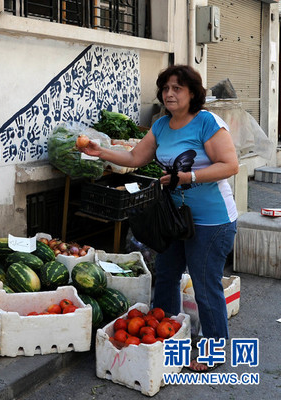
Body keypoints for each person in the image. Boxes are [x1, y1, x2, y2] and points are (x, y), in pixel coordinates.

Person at [78, 65, 238, 372]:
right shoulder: (162, 125)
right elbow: (136, 158)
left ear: (192, 93)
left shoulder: (207, 123)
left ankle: (214, 349)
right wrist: (103, 152)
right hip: (174, 219)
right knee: (165, 275)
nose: (170, 94)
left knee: (205, 284)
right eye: (165, 88)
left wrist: (186, 177)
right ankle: (167, 337)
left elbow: (230, 165)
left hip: (212, 220)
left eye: (177, 88)